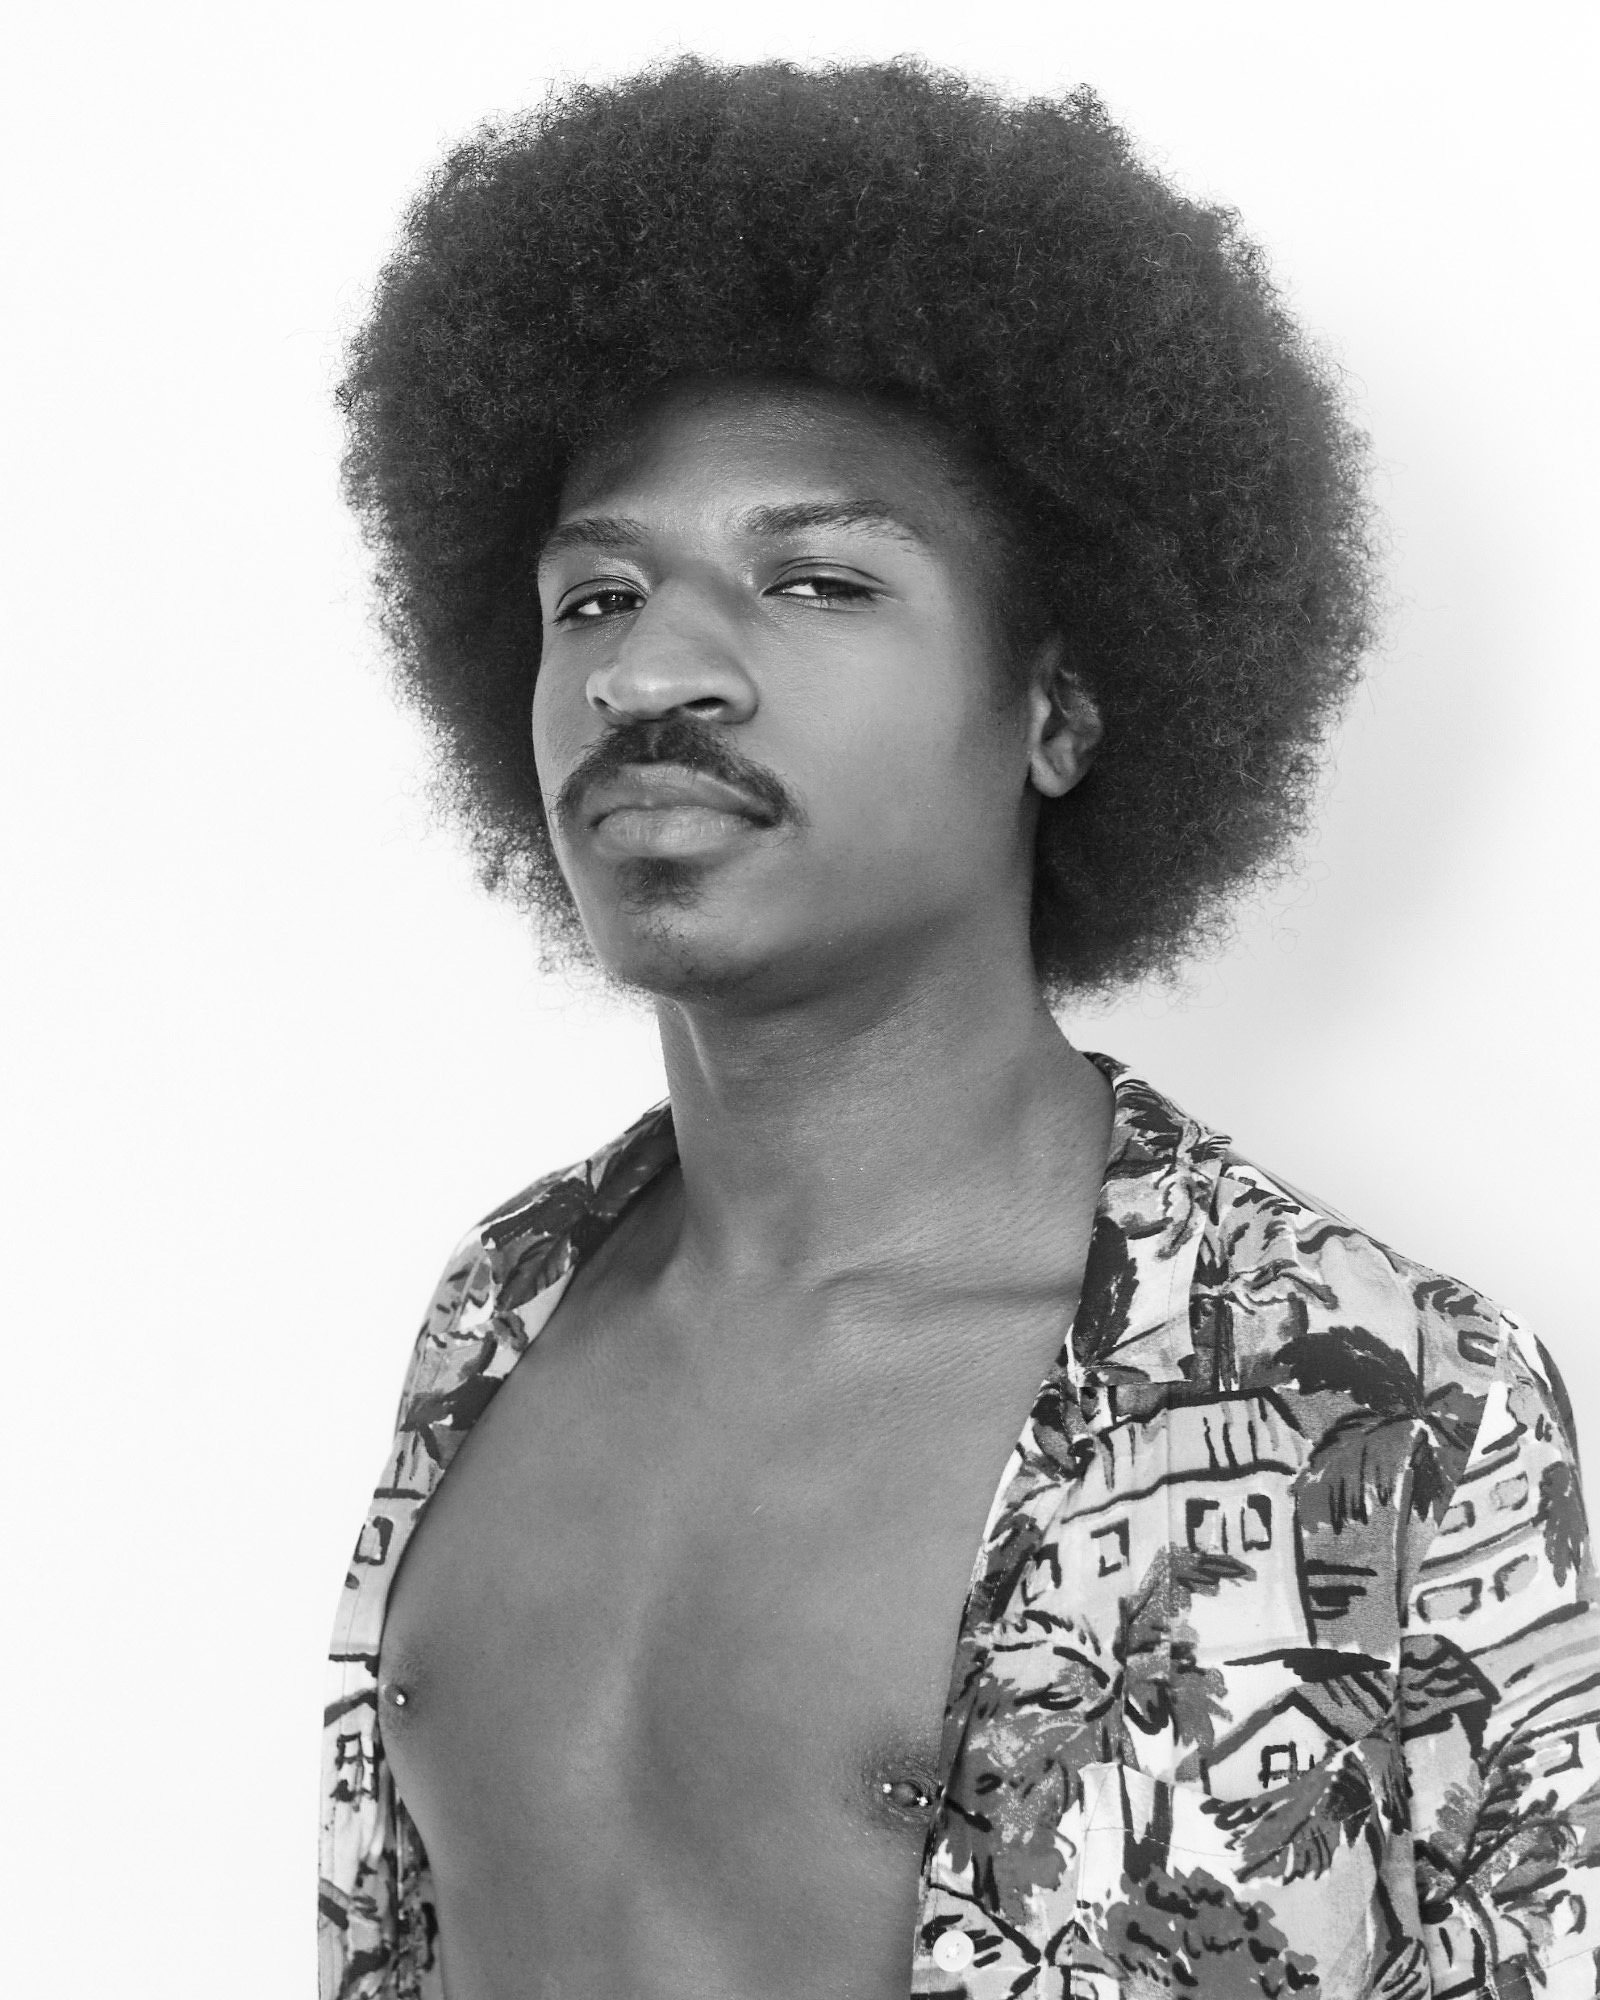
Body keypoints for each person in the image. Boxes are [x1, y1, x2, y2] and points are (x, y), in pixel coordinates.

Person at [319, 57, 1600, 2000]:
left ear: (1056, 713)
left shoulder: (1386, 1408)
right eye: (594, 595)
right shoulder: (502, 1313)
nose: (650, 669)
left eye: (817, 579)